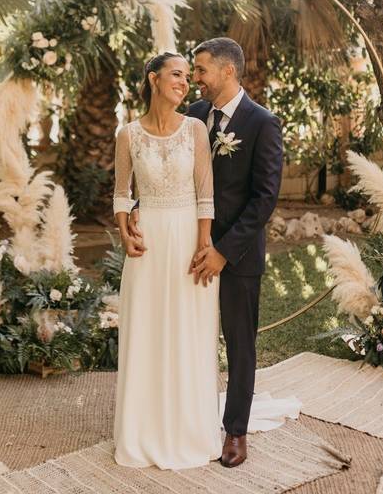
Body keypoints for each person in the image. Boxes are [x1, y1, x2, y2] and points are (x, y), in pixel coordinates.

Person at [126, 38, 285, 468]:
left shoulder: (262, 123)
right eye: (190, 71)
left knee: (238, 344)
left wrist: (222, 251)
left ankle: (235, 432)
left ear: (228, 71)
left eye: (201, 70)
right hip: (181, 247)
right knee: (182, 336)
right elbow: (164, 173)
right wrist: (142, 212)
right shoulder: (192, 117)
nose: (194, 78)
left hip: (235, 255)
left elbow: (264, 199)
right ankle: (178, 421)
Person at [112, 52, 222, 470]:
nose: (185, 82)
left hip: (187, 242)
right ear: (153, 79)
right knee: (146, 330)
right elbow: (122, 193)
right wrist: (125, 231)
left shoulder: (195, 129)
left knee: (187, 330)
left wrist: (204, 244)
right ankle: (142, 432)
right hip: (147, 244)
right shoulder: (128, 134)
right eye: (176, 75)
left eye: (187, 77)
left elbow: (206, 195)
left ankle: (188, 428)